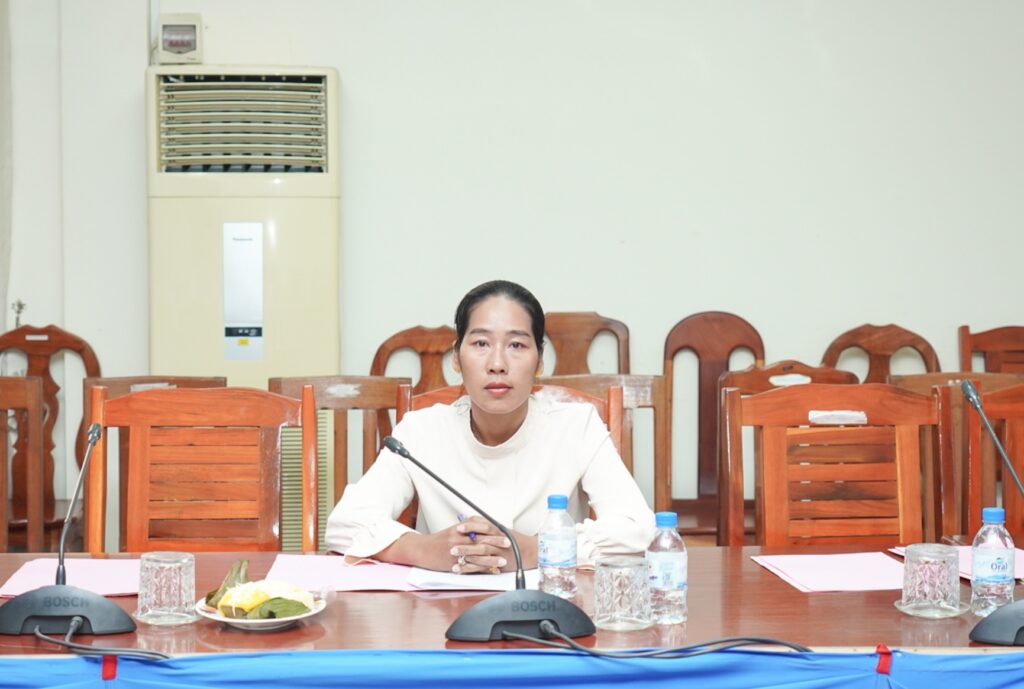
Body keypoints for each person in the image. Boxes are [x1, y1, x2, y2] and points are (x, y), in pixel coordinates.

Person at [325, 280, 655, 573]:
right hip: (440, 613)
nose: (497, 364)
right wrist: (425, 550)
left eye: (517, 345)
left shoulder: (577, 427)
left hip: (546, 610)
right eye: (481, 344)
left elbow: (638, 529)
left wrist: (536, 550)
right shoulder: (420, 432)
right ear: (457, 358)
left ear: (539, 360)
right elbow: (343, 525)